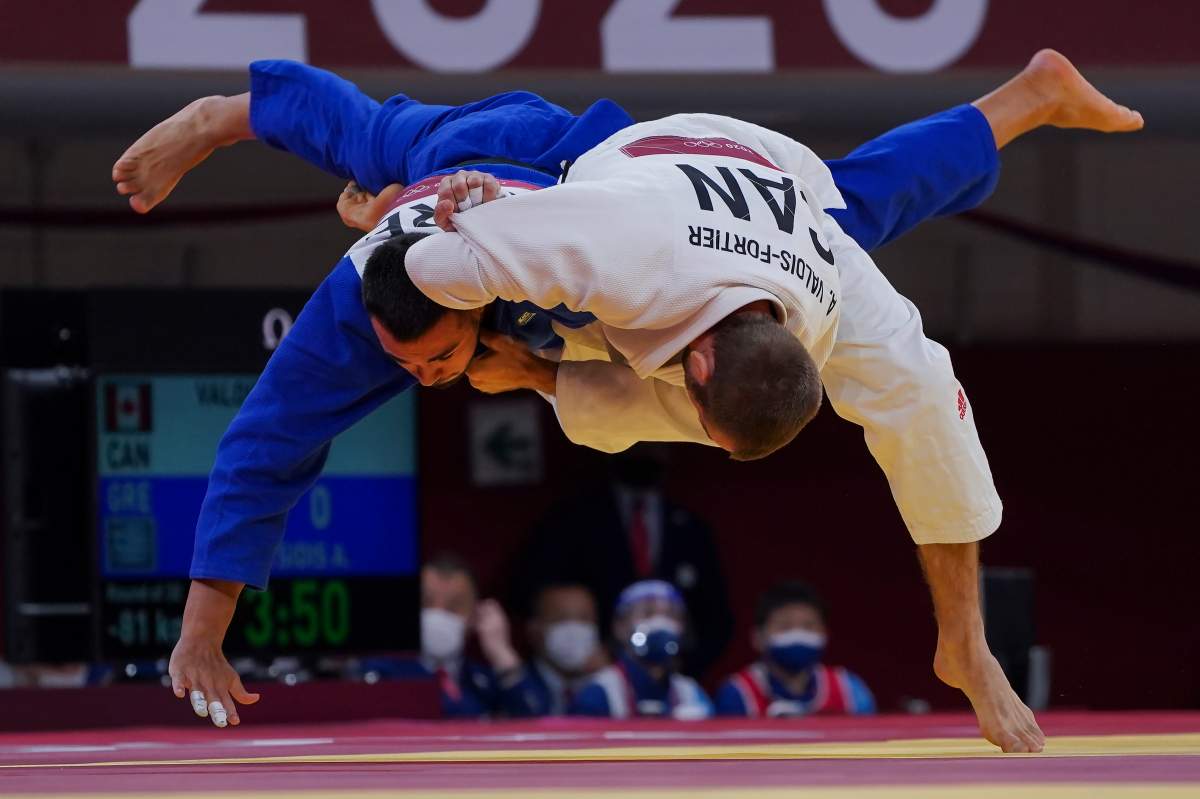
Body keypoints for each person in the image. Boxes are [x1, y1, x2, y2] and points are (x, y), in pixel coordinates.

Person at [111, 51, 1139, 751]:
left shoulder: (848, 304)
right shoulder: (562, 252)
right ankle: (225, 112)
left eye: (437, 362)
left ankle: (1028, 95)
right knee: (385, 143)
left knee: (864, 212)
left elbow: (936, 435)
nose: (427, 379)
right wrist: (394, 207)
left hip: (766, 194)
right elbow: (273, 432)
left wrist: (965, 636)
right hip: (599, 178)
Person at [515, 447, 732, 679]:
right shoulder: (573, 520)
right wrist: (590, 656)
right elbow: (535, 592)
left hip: (674, 673)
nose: (641, 449)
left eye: (651, 441)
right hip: (591, 672)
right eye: (632, 443)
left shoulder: (690, 528)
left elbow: (716, 615)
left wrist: (678, 665)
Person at [358, 553, 530, 718]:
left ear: (475, 616)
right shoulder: (382, 672)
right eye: (426, 602)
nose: (438, 614)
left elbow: (535, 723)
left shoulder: (486, 682)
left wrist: (503, 656)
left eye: (455, 606)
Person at [715, 581, 873, 717]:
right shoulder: (739, 693)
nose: (798, 635)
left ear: (825, 633)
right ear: (757, 637)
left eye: (808, 626)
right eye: (785, 626)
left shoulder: (848, 690)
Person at [570, 580, 711, 719]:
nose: (660, 623)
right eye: (647, 613)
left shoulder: (690, 693)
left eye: (670, 614)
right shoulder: (599, 692)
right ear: (620, 626)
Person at [500, 582, 609, 716]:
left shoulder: (611, 682)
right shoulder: (512, 683)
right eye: (561, 619)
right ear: (533, 630)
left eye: (584, 618)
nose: (574, 631)